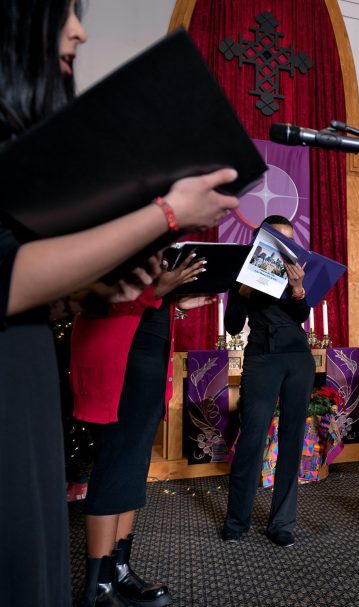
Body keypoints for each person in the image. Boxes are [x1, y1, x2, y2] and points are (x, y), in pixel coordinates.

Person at [0, 2, 238, 605]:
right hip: (26, 373)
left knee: (40, 553)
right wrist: (169, 213)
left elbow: (43, 289)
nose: (79, 30)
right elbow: (7, 274)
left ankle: (114, 571)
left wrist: (102, 286)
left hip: (33, 363)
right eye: (65, 13)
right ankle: (103, 575)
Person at [70, 255, 210, 607]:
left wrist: (174, 301)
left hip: (150, 355)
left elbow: (149, 299)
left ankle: (119, 570)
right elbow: (88, 292)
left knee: (133, 466)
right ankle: (97, 589)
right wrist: (155, 291)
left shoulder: (160, 240)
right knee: (116, 463)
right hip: (120, 359)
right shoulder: (118, 229)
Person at [222, 215, 314, 548]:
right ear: (262, 240)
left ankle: (282, 523)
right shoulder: (242, 274)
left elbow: (302, 316)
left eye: (290, 241)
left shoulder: (297, 272)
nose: (285, 247)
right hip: (261, 357)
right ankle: (237, 520)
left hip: (297, 357)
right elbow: (233, 326)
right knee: (252, 438)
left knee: (293, 438)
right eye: (278, 239)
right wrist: (243, 292)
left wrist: (298, 289)